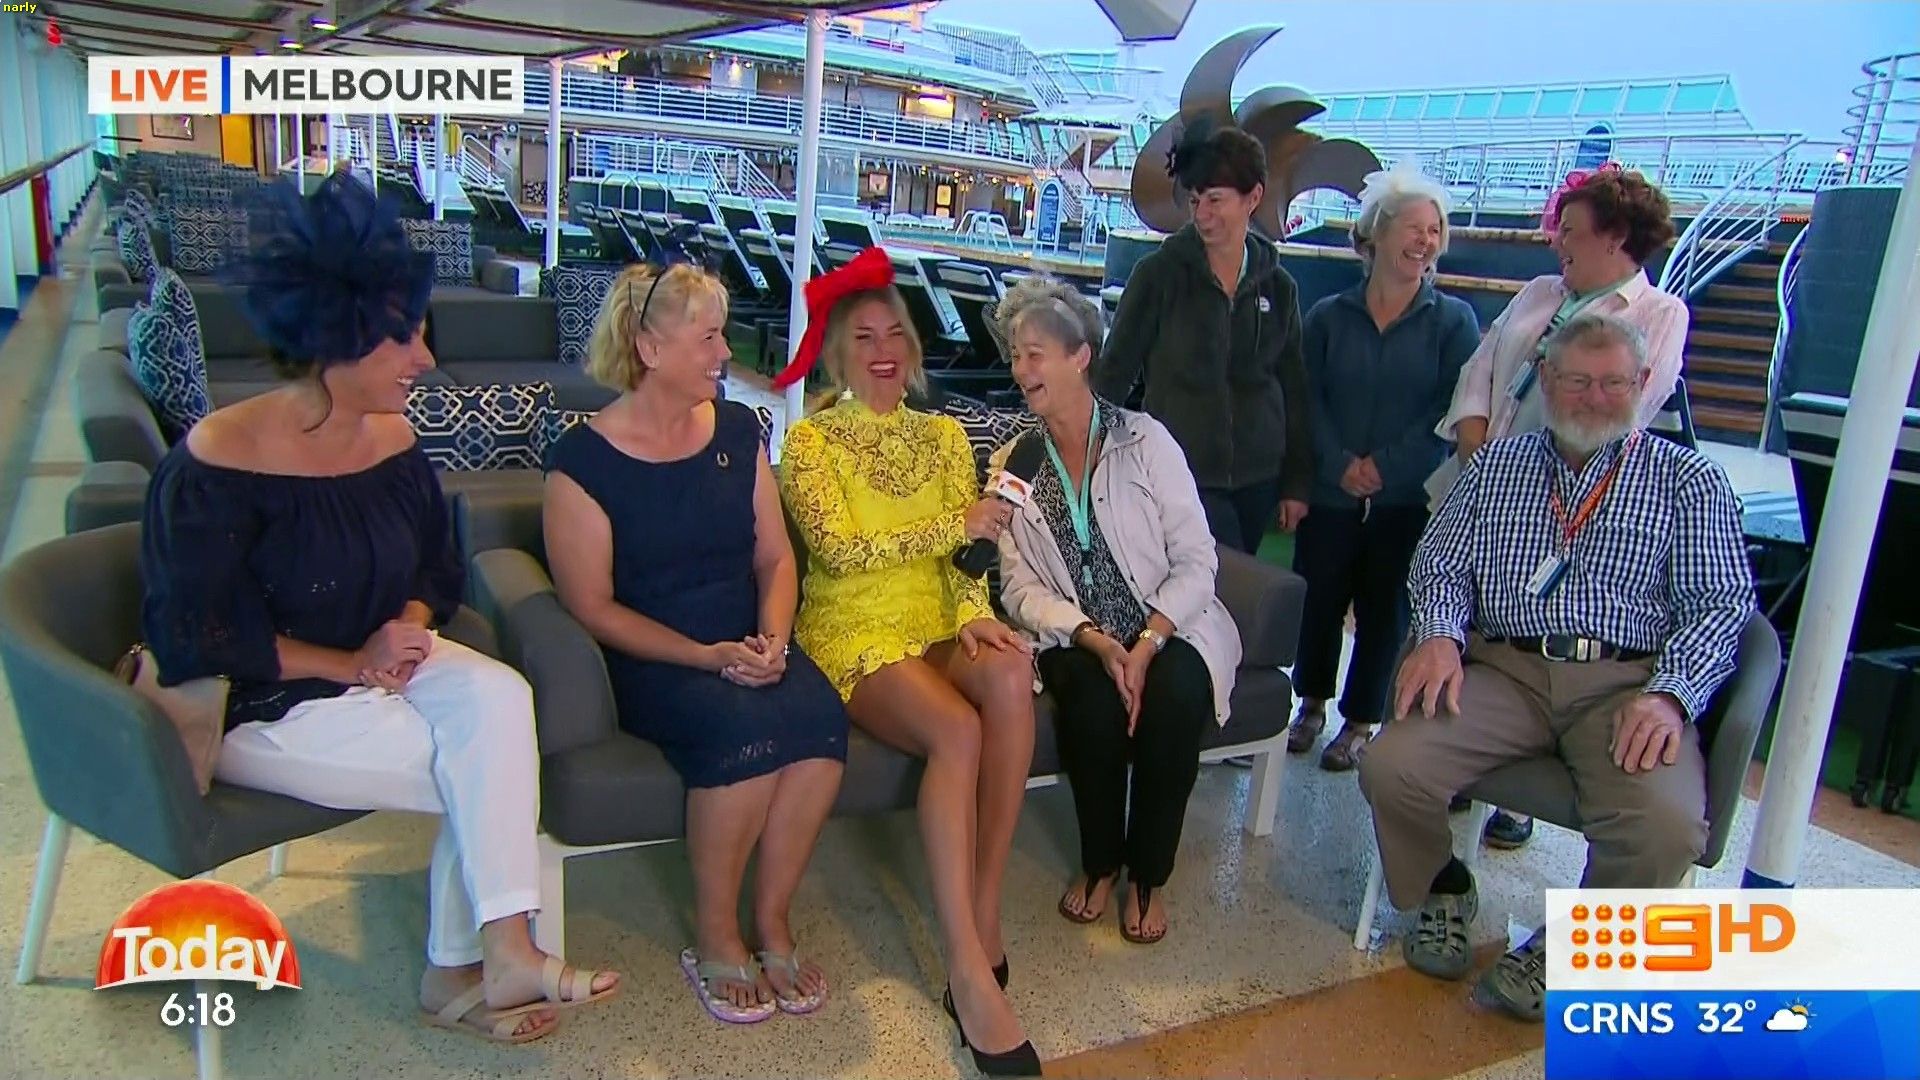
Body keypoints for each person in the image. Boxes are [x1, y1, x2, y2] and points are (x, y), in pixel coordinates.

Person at [139, 173, 619, 1045]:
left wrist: (408, 623)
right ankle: (461, 967)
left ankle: (500, 952)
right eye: (403, 337)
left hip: (381, 658)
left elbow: (436, 563)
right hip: (266, 698)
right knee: (483, 769)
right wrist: (351, 664)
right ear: (334, 337)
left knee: (502, 701)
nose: (424, 358)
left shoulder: (395, 439)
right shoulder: (216, 460)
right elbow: (201, 636)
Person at [1359, 312, 1755, 1023]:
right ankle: (1443, 887)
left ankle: (1572, 946)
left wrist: (1670, 695)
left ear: (1642, 383)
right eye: (1577, 381)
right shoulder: (1497, 467)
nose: (1594, 398)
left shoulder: (1688, 479)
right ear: (1546, 379)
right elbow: (1439, 563)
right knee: (1391, 765)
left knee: (1667, 828)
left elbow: (1721, 605)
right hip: (1504, 671)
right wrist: (1441, 634)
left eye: (1613, 383)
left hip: (1626, 685)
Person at [543, 263, 848, 1024]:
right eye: (709, 337)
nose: (725, 352)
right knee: (740, 730)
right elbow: (592, 606)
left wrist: (774, 639)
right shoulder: (582, 464)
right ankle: (715, 935)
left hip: (747, 637)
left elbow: (775, 558)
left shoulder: (740, 430)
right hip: (656, 655)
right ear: (650, 349)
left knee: (818, 721)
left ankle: (772, 921)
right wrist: (705, 657)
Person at [772, 247, 1041, 1076]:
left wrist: (975, 618)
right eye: (863, 338)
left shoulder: (947, 434)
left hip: (934, 620)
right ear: (837, 354)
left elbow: (964, 565)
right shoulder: (810, 442)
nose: (883, 349)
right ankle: (966, 968)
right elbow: (841, 554)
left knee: (1009, 673)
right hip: (853, 627)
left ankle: (984, 906)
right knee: (956, 729)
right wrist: (956, 524)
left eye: (895, 333)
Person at [1425, 164, 1688, 848]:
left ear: (1615, 237)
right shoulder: (1540, 292)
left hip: (1570, 511)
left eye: (1570, 231)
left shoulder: (1660, 315)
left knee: (1531, 617)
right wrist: (1480, 458)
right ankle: (1453, 755)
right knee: (1449, 608)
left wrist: (1530, 475)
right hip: (1483, 481)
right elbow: (1481, 370)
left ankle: (1515, 797)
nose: (1557, 242)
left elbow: (1620, 418)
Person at [989, 276, 1239, 945]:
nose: (1019, 369)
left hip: (1169, 625)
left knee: (1176, 698)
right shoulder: (1016, 461)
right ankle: (1100, 864)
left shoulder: (1145, 440)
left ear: (1080, 357)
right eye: (1015, 355)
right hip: (1077, 636)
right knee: (1092, 709)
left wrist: (1149, 640)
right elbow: (1017, 588)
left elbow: (1198, 559)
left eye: (1034, 353)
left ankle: (1148, 876)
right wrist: (1094, 639)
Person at [1288, 164, 1480, 771]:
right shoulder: (1328, 316)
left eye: (1435, 230)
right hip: (1331, 490)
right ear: (1377, 232)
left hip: (1406, 499)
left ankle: (1360, 721)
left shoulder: (1454, 322)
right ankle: (1309, 704)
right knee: (1319, 601)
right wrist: (1340, 465)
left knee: (1385, 610)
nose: (1426, 240)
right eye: (1415, 227)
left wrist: (1386, 468)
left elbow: (1450, 409)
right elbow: (1306, 400)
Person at [1094, 120, 1313, 555]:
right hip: (1177, 472)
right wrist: (1091, 458)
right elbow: (1114, 373)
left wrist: (1296, 483)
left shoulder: (1279, 287)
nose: (1202, 215)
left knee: (1242, 585)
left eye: (1215, 200)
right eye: (1196, 201)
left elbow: (1294, 388)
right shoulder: (1158, 275)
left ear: (1253, 197)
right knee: (1202, 583)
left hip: (1259, 479)